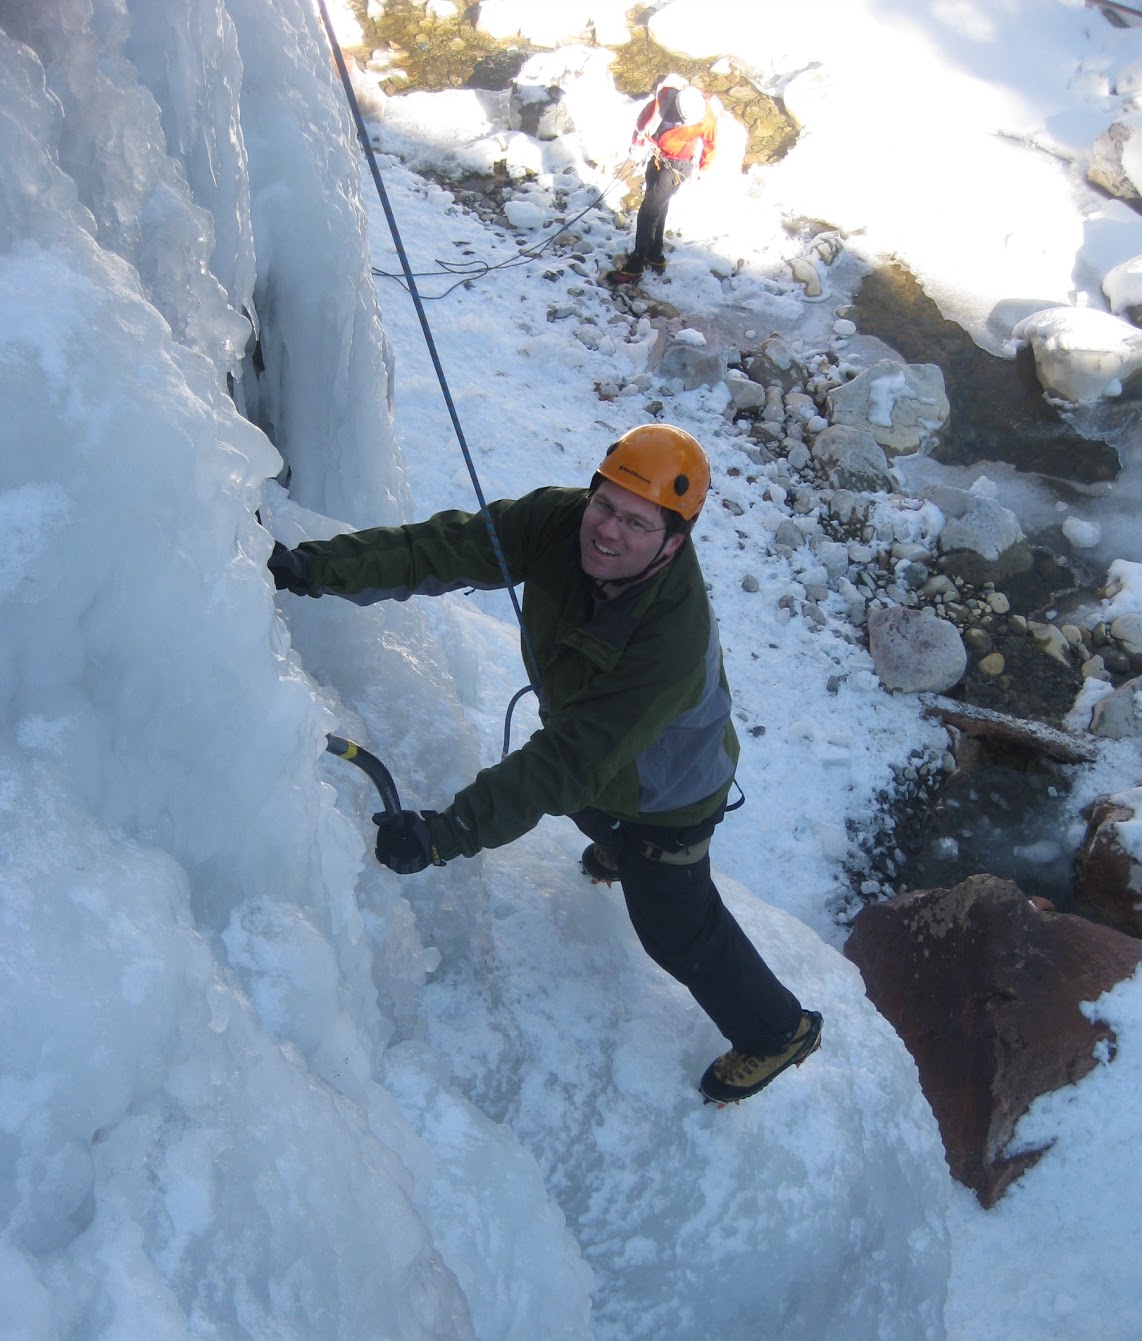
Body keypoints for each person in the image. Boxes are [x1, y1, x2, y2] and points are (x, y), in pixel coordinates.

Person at [267, 424, 822, 1104]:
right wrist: (313, 568)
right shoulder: (560, 521)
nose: (608, 532)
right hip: (600, 758)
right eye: (605, 506)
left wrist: (443, 835)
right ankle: (618, 847)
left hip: (668, 794)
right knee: (590, 807)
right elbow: (440, 549)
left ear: (674, 542)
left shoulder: (669, 642)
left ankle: (778, 1030)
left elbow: (567, 762)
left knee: (675, 929)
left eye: (636, 524)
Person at [608, 76, 718, 286]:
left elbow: (710, 144)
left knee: (649, 210)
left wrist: (704, 167)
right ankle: (655, 254)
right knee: (659, 203)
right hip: (659, 157)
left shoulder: (706, 118)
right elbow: (644, 120)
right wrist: (638, 139)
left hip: (678, 166)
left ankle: (636, 265)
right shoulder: (664, 99)